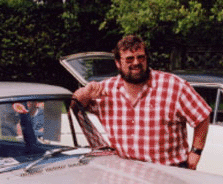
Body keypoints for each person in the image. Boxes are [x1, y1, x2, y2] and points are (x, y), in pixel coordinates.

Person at [73, 35, 211, 169]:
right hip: (126, 177)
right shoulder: (105, 90)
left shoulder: (173, 86)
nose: (136, 63)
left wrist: (196, 152)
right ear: (117, 63)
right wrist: (85, 93)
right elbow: (75, 105)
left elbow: (202, 116)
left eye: (141, 57)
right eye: (129, 59)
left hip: (170, 175)